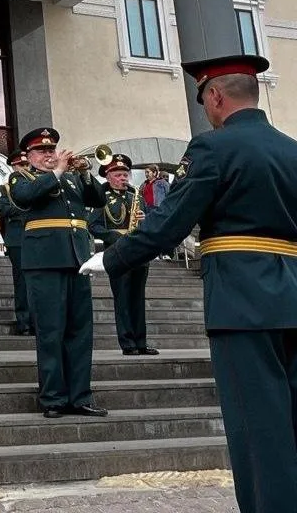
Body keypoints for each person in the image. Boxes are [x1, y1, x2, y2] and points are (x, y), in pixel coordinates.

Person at [79, 54, 297, 513]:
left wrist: (113, 257)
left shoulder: (212, 148)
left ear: (214, 96)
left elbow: (169, 221)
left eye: (204, 101)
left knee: (258, 430)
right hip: (292, 293)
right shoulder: (292, 149)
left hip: (242, 300)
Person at [9, 127, 106, 419]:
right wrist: (58, 171)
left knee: (80, 332)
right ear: (29, 156)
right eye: (42, 151)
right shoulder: (21, 177)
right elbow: (25, 198)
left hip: (77, 260)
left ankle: (80, 396)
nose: (49, 155)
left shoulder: (72, 179)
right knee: (51, 332)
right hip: (44, 262)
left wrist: (85, 173)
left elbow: (98, 200)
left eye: (52, 150)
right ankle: (52, 397)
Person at [87, 153, 157, 356]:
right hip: (117, 253)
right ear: (108, 177)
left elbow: (152, 220)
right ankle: (127, 343)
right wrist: (115, 236)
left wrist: (146, 219)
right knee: (123, 298)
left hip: (139, 253)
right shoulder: (102, 197)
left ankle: (141, 342)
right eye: (118, 175)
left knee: (138, 298)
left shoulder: (136, 196)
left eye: (125, 174)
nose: (123, 178)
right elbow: (93, 225)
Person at [0, 149, 33, 336]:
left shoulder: (35, 184)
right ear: (13, 166)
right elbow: (4, 210)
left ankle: (37, 321)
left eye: (26, 164)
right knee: (22, 282)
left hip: (34, 236)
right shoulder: (6, 188)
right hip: (17, 237)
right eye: (21, 165)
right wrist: (24, 206)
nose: (24, 168)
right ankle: (24, 322)